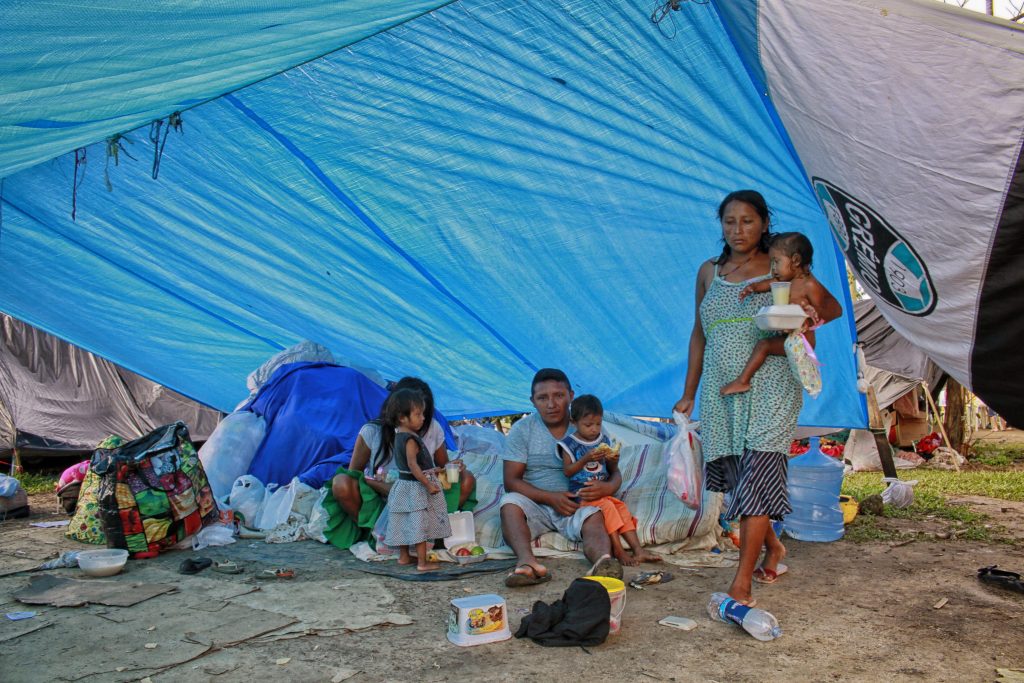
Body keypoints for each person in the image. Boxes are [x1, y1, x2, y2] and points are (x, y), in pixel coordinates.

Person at [673, 190, 840, 605]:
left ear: (765, 223)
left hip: (772, 383)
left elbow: (817, 317)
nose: (737, 229)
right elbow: (700, 333)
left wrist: (807, 303)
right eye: (729, 222)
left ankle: (741, 581)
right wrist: (688, 392)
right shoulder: (709, 271)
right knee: (736, 481)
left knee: (759, 474)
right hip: (719, 386)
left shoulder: (783, 267)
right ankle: (775, 548)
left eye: (747, 221)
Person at [500, 368, 622, 587]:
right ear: (532, 401)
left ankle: (604, 563)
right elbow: (511, 481)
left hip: (579, 503)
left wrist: (608, 488)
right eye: (542, 398)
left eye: (558, 396)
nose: (551, 404)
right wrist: (550, 498)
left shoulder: (590, 426)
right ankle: (527, 563)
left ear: (571, 396)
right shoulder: (522, 430)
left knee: (595, 516)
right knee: (509, 504)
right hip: (536, 503)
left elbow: (615, 471)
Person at [326, 377, 476, 549]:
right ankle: (375, 532)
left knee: (466, 479)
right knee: (341, 483)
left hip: (422, 498)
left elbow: (443, 470)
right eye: (417, 414)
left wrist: (452, 468)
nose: (422, 419)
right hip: (380, 499)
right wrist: (376, 484)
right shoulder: (372, 431)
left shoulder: (433, 428)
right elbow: (354, 475)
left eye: (424, 414)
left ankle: (435, 534)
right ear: (400, 414)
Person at [720, 232, 842, 396]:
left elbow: (826, 312)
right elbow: (769, 284)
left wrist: (809, 316)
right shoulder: (785, 281)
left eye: (776, 262)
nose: (773, 268)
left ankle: (743, 381)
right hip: (787, 334)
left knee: (764, 345)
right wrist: (753, 288)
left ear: (796, 260)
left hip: (801, 341)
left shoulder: (810, 285)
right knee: (764, 343)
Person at [558, 394, 661, 567]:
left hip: (602, 492)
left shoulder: (603, 439)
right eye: (588, 425)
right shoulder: (569, 444)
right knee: (609, 508)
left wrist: (612, 459)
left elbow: (611, 469)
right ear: (573, 422)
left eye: (598, 424)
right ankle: (618, 550)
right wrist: (585, 459)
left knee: (621, 507)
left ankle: (638, 550)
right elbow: (567, 471)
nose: (594, 429)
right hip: (582, 496)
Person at [382, 388, 451, 571]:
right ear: (402, 417)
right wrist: (428, 484)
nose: (423, 418)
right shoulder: (411, 439)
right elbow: (413, 466)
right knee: (419, 522)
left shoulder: (398, 436)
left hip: (403, 485)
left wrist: (433, 470)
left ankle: (404, 557)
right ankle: (422, 562)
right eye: (418, 414)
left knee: (403, 521)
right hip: (415, 486)